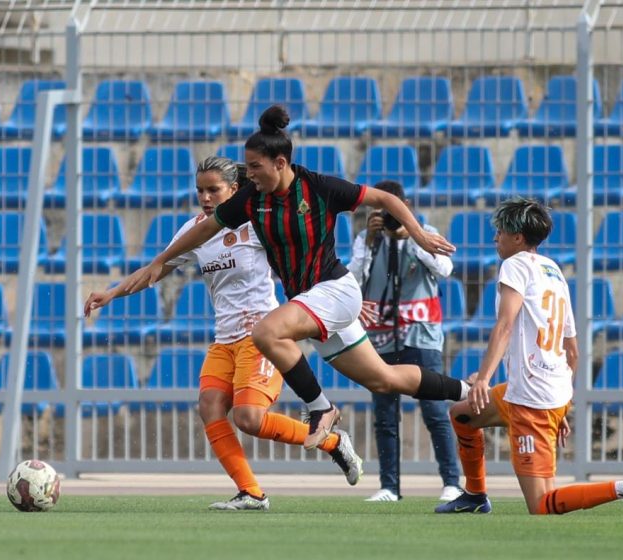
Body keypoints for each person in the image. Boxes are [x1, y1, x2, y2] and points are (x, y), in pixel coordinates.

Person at [119, 104, 469, 452]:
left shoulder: (318, 187)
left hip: (334, 290)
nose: (249, 174)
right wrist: (160, 261)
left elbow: (386, 198)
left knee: (266, 333)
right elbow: (207, 228)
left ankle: (321, 408)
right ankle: (469, 390)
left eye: (255, 167)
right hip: (312, 304)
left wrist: (419, 234)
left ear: (280, 163)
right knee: (383, 379)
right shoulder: (252, 199)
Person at [85, 156, 363, 512]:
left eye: (213, 190)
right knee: (209, 406)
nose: (205, 197)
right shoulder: (195, 231)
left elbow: (302, 245)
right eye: (200, 190)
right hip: (224, 339)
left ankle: (333, 442)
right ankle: (251, 492)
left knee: (249, 419)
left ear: (234, 189)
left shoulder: (257, 223)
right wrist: (111, 293)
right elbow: (156, 268)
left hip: (261, 336)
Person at [436, 197, 623, 516]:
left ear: (518, 238)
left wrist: (483, 378)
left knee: (541, 504)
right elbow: (573, 350)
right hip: (537, 391)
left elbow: (505, 325)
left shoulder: (515, 265)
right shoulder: (553, 270)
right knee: (462, 415)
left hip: (532, 399)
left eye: (500, 231)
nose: (495, 237)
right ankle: (475, 495)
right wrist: (562, 404)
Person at [348, 180, 462, 503]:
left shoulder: (425, 233)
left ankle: (452, 482)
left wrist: (414, 236)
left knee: (434, 410)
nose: (387, 217)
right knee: (385, 415)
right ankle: (389, 486)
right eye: (380, 211)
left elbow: (445, 268)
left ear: (405, 207)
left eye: (392, 210)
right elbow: (353, 281)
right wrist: (371, 242)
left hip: (421, 337)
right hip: (381, 338)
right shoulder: (366, 240)